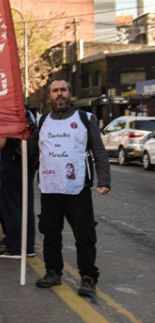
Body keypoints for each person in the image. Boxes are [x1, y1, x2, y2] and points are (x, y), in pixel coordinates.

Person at [35, 79, 110, 298]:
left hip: (77, 188)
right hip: (50, 188)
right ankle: (53, 271)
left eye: (63, 90)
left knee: (84, 234)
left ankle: (88, 278)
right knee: (50, 232)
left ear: (70, 93)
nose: (59, 94)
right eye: (55, 90)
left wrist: (104, 180)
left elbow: (100, 152)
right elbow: (30, 149)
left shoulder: (86, 119)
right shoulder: (42, 121)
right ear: (50, 95)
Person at [0, 108, 38, 259]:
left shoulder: (8, 113)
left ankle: (15, 247)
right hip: (26, 164)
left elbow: (0, 142)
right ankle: (28, 246)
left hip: (12, 164)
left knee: (11, 207)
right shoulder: (27, 113)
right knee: (26, 207)